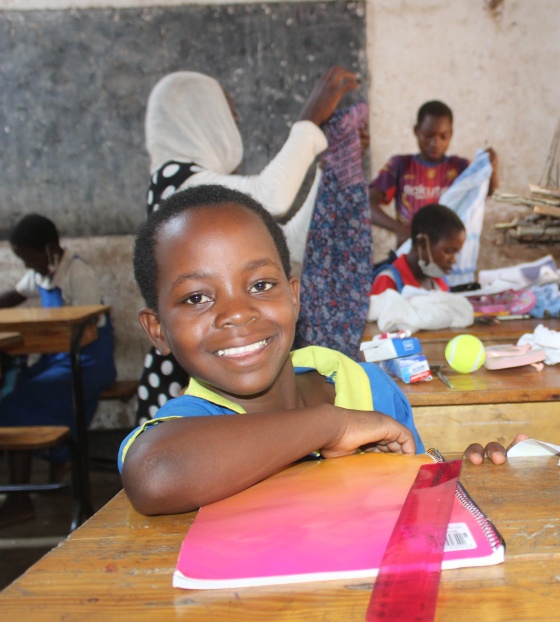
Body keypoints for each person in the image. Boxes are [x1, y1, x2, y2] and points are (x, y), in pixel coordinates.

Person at [119, 185, 524, 516]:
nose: (237, 315)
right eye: (196, 298)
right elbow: (155, 474)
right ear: (157, 330)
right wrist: (330, 426)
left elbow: (413, 506)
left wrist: (474, 480)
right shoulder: (189, 426)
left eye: (260, 286)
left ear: (295, 296)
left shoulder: (369, 390)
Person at [137, 66, 364, 423]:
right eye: (229, 114)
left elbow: (287, 242)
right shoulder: (176, 180)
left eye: (260, 285)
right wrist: (309, 122)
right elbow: (271, 196)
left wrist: (329, 168)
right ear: (198, 118)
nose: (235, 122)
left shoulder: (202, 185)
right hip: (185, 390)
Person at [0, 214, 117, 527]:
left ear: (49, 248)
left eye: (30, 257)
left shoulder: (77, 271)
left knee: (21, 403)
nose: (29, 265)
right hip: (60, 358)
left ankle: (20, 500)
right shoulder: (41, 273)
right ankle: (56, 466)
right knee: (17, 389)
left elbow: (87, 321)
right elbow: (15, 295)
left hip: (88, 359)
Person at [369, 100, 499, 247]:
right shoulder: (400, 165)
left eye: (443, 136)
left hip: (448, 259)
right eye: (427, 135)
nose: (435, 143)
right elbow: (367, 205)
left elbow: (488, 193)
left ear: (451, 134)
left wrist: (491, 168)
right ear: (416, 130)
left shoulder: (460, 168)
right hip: (410, 255)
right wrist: (399, 229)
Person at [370, 203, 465, 295]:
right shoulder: (389, 281)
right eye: (448, 251)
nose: (453, 260)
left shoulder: (439, 282)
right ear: (423, 244)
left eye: (456, 252)